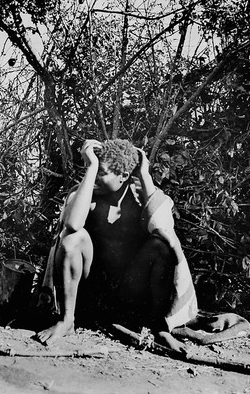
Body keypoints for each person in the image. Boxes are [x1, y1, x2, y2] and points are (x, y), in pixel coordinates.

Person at [36, 139, 197, 351]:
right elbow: (72, 224)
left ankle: (160, 328)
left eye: (101, 173)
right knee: (72, 239)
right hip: (91, 293)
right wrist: (92, 167)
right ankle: (67, 320)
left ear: (123, 175)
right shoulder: (86, 194)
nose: (93, 178)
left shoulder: (140, 196)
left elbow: (163, 226)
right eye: (91, 171)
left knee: (161, 245)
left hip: (129, 293)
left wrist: (145, 175)